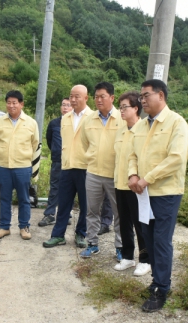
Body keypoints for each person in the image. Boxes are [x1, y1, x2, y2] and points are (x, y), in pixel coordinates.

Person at [128, 79, 188, 312]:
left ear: (161, 95)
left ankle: (162, 289)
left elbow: (176, 158)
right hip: (143, 192)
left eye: (146, 96)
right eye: (141, 97)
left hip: (165, 193)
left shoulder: (177, 123)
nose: (142, 100)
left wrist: (147, 178)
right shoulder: (141, 125)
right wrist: (133, 175)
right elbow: (132, 154)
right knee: (149, 237)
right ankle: (157, 281)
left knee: (161, 241)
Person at [43, 85, 94, 249]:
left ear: (86, 98)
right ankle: (58, 235)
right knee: (64, 203)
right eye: (71, 96)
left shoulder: (93, 117)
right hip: (67, 166)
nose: (73, 99)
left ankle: (81, 233)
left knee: (86, 205)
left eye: (77, 96)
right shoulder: (65, 118)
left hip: (86, 167)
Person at [80, 82, 122, 260]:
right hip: (94, 173)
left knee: (119, 213)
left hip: (115, 174)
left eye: (102, 96)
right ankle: (92, 244)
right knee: (92, 211)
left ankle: (121, 248)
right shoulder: (89, 119)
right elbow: (84, 143)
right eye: (96, 96)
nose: (98, 100)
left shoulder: (122, 119)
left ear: (112, 98)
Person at [112, 92, 150, 276]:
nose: (122, 111)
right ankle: (127, 257)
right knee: (124, 222)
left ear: (136, 108)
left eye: (125, 107)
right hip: (120, 184)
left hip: (136, 186)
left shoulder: (144, 129)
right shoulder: (121, 130)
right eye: (120, 107)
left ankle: (145, 259)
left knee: (140, 223)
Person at [0, 90, 39, 240]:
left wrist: (28, 161)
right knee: (4, 198)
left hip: (23, 167)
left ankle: (24, 227)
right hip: (4, 166)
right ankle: (4, 227)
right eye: (9, 102)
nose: (11, 105)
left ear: (21, 104)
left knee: (24, 198)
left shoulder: (31, 122)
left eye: (15, 103)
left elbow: (35, 144)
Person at [39, 98, 72, 227]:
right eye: (63, 105)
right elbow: (49, 140)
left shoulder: (75, 123)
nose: (65, 107)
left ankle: (65, 214)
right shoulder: (54, 123)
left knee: (68, 189)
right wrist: (56, 151)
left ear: (72, 108)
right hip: (57, 160)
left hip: (71, 162)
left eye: (68, 105)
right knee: (54, 187)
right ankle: (50, 214)